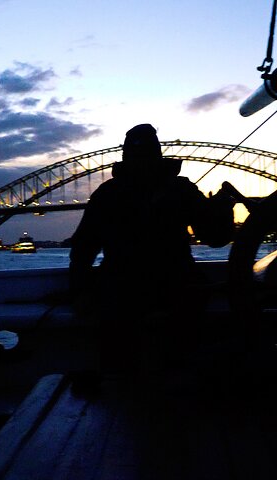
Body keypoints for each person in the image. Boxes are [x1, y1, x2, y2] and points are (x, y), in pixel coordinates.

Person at [69, 123, 236, 376]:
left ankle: (125, 384)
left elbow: (83, 248)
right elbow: (215, 238)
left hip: (121, 290)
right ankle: (178, 379)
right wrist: (223, 210)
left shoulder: (107, 193)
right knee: (185, 331)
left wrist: (80, 292)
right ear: (158, 154)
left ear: (124, 157)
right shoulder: (181, 189)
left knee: (119, 345)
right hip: (176, 287)